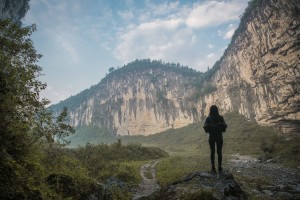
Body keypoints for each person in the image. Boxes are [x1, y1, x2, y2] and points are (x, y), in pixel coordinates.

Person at [203, 105, 227, 173]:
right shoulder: (220, 118)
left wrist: (211, 129)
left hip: (211, 137)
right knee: (219, 152)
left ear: (210, 110)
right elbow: (224, 128)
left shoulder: (208, 118)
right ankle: (219, 167)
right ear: (217, 110)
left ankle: (213, 167)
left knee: (212, 152)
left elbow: (205, 128)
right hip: (219, 136)